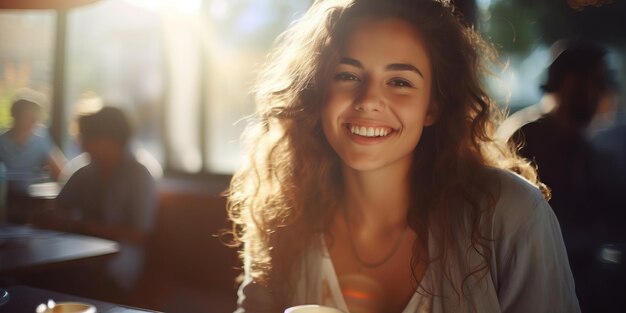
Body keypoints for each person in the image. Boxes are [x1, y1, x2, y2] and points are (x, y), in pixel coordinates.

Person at [227, 0, 579, 312]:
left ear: (433, 107)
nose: (367, 100)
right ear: (317, 92)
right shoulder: (285, 214)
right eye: (347, 75)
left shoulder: (510, 214)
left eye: (399, 82)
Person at [53, 106, 157, 298]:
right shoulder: (84, 171)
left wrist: (84, 226)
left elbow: (139, 234)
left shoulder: (140, 174)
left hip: (120, 255)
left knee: (78, 276)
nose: (81, 144)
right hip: (80, 249)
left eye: (87, 138)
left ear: (109, 140)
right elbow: (58, 208)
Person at [0, 95, 64, 196]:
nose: (34, 121)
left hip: (33, 199)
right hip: (5, 197)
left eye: (36, 117)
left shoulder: (41, 140)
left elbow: (60, 173)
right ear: (15, 115)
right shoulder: (2, 141)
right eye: (29, 116)